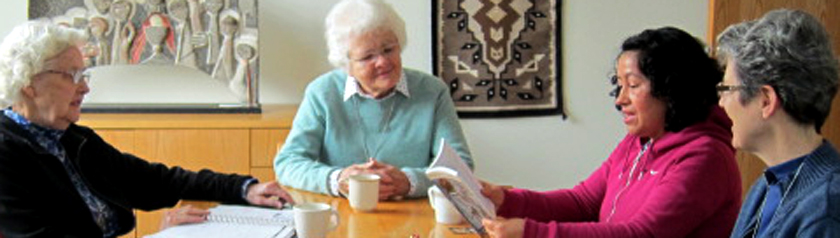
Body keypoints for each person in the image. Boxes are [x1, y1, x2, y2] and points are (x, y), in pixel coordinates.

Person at [0, 21, 294, 238]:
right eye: (71, 75)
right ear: (28, 82)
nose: (85, 86)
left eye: (84, 74)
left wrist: (244, 188)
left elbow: (155, 180)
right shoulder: (6, 153)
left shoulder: (73, 139)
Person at [480, 27, 742, 238]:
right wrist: (506, 200)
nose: (620, 99)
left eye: (633, 85)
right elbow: (582, 203)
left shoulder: (705, 157)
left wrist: (532, 233)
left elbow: (644, 233)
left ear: (672, 89)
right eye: (619, 85)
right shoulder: (639, 141)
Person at [274, 0, 472, 200]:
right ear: (346, 64)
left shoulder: (432, 91)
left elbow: (460, 167)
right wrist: (338, 179)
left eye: (388, 49)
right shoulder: (323, 93)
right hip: (343, 215)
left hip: (414, 215)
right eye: (368, 56)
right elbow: (288, 163)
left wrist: (409, 182)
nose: (383, 62)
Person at [716, 9, 840, 237]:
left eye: (726, 89)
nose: (721, 103)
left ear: (766, 100)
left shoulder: (827, 208)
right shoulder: (767, 185)